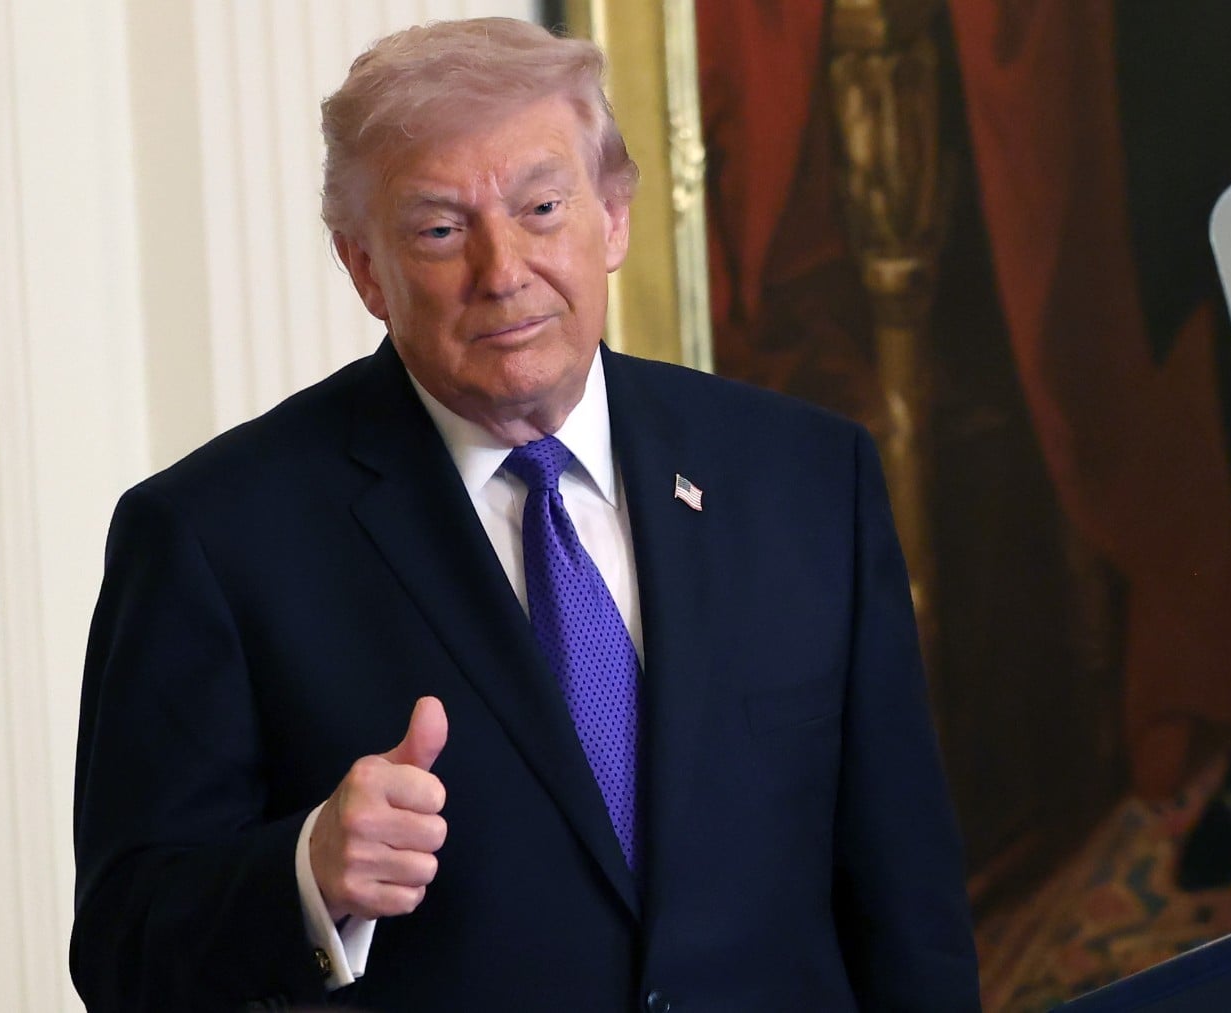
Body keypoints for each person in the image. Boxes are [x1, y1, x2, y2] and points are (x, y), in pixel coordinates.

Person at [70, 17, 978, 1012]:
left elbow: (908, 908)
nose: (503, 270)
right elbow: (125, 948)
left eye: (542, 207)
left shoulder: (804, 477)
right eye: (440, 230)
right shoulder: (216, 536)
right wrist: (305, 874)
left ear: (616, 216)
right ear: (366, 267)